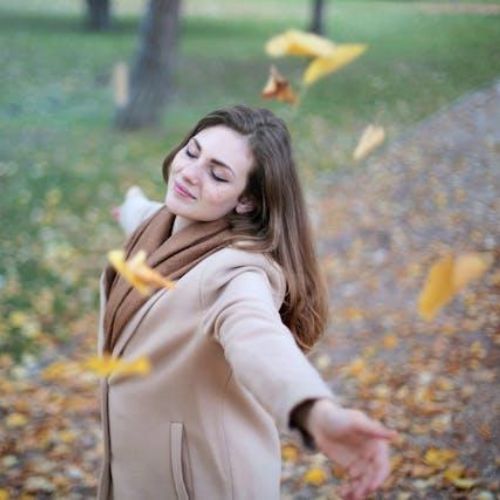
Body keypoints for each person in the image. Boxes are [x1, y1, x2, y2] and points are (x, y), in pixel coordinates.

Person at [97, 105, 398, 500]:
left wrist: (317, 413)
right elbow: (144, 215)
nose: (189, 173)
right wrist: (131, 205)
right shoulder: (159, 224)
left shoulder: (237, 274)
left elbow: (258, 337)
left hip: (204, 484)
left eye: (218, 174)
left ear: (247, 202)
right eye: (192, 152)